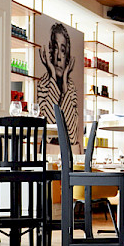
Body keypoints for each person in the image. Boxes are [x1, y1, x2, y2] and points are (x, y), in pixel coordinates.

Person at [37, 22, 81, 154]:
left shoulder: (71, 87)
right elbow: (49, 128)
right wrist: (54, 78)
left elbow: (71, 134)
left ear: (67, 55)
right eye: (55, 49)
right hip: (49, 152)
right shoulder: (43, 84)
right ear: (50, 51)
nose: (58, 57)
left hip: (71, 153)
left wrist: (65, 86)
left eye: (63, 50)